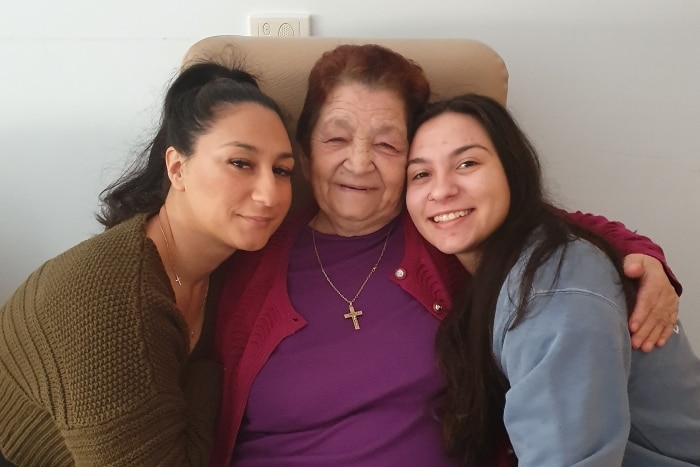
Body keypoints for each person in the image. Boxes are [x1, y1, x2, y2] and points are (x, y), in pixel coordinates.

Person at [211, 44, 682, 466]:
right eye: (336, 139)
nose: (358, 162)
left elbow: (540, 222)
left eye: (386, 144)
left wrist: (643, 257)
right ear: (306, 149)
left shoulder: (443, 230)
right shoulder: (254, 241)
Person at [0, 62, 295, 466]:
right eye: (240, 163)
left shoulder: (232, 268)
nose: (269, 193)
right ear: (177, 167)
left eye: (282, 170)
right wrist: (208, 378)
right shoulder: (111, 301)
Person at [405, 93, 700, 466]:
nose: (442, 190)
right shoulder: (512, 251)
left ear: (513, 170)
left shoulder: (552, 287)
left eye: (467, 163)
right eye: (421, 174)